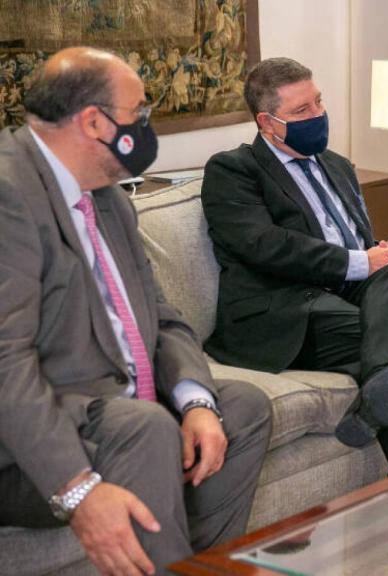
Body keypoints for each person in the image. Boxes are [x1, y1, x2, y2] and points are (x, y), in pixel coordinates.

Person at [0, 47, 271, 574]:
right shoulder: (9, 196)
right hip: (27, 443)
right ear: (95, 122)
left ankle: (202, 568)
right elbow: (4, 363)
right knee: (145, 427)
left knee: (240, 407)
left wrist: (195, 402)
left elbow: (161, 316)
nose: (148, 127)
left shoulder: (109, 198)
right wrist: (77, 490)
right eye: (140, 113)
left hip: (117, 408)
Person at [201, 57, 388, 473]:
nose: (317, 116)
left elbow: (359, 244)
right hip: (287, 310)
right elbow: (266, 246)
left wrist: (375, 254)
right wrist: (359, 262)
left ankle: (377, 400)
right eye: (301, 111)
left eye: (318, 103)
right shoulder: (233, 170)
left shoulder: (337, 165)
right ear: (268, 122)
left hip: (346, 297)